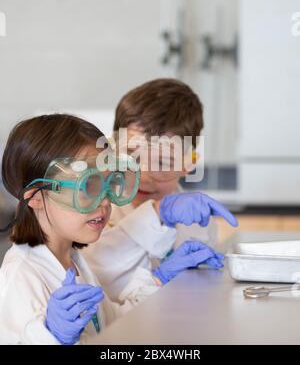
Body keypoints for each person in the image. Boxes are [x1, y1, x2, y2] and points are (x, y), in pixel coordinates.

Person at [0, 114, 231, 344]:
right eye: (88, 185)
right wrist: (50, 336)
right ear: (35, 197)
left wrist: (159, 280)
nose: (104, 201)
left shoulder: (74, 261)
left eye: (108, 183)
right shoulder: (21, 274)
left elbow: (113, 326)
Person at [83, 79, 238, 301]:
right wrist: (156, 214)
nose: (143, 176)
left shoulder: (197, 221)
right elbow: (93, 272)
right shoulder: (94, 210)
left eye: (163, 162)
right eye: (132, 156)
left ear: (188, 163)